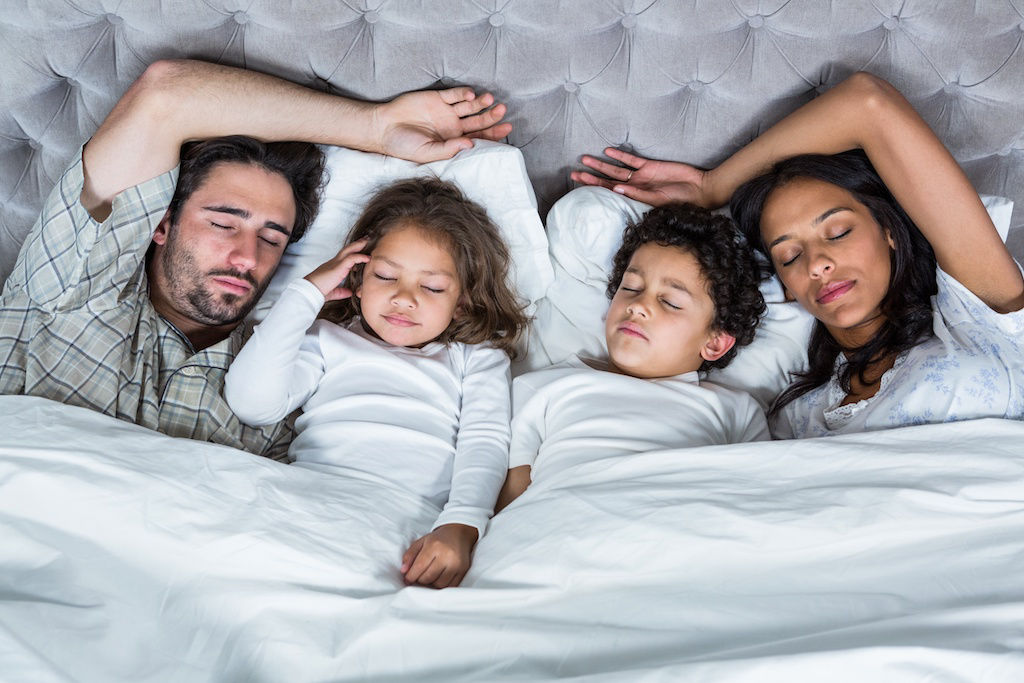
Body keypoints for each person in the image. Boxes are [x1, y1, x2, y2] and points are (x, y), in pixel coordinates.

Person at [0, 58, 512, 459]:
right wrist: (375, 128)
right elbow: (166, 93)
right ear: (162, 224)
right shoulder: (74, 287)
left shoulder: (297, 367)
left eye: (272, 237)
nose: (247, 256)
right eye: (223, 223)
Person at [572, 72, 1024, 438]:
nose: (817, 264)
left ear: (889, 231)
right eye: (789, 256)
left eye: (839, 231)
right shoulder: (798, 417)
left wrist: (713, 187)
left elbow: (866, 104)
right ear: (785, 287)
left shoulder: (977, 315)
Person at [224, 177, 529, 588]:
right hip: (307, 500)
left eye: (432, 286)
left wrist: (463, 524)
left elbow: (485, 441)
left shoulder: (476, 359)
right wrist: (307, 293)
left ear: (463, 303)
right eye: (386, 276)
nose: (404, 298)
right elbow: (251, 402)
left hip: (407, 523)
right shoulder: (327, 339)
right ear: (358, 278)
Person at [496, 203, 768, 511]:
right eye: (631, 287)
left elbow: (757, 500)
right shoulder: (542, 387)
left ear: (715, 343)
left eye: (670, 302)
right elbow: (512, 503)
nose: (638, 306)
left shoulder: (737, 411)